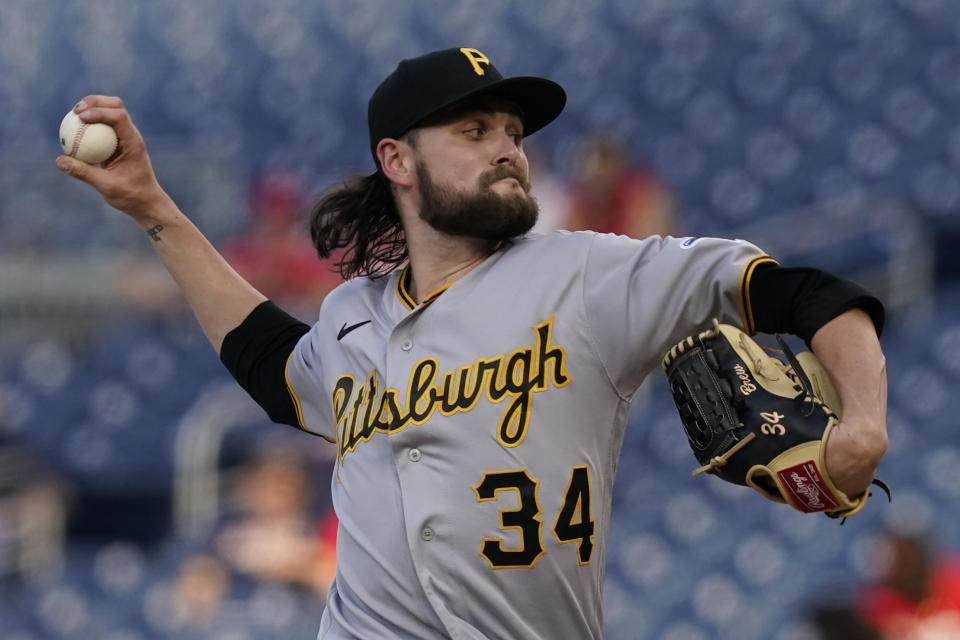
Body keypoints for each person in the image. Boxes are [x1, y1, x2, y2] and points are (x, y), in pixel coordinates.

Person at [56, 47, 888, 640]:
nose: (508, 149)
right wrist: (152, 209)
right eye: (475, 130)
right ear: (399, 160)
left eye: (513, 134)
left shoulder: (590, 273)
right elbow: (275, 368)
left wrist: (864, 428)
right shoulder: (351, 317)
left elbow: (805, 290)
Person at [564, 130, 681, 238]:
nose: (597, 174)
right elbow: (570, 248)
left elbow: (649, 249)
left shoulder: (641, 196)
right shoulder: (577, 203)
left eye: (604, 165)